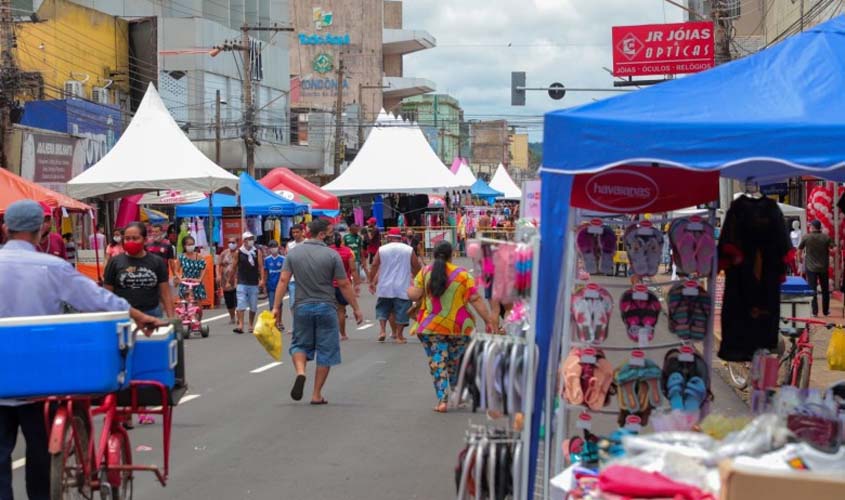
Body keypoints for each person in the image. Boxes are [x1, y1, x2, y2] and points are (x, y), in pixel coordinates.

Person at [0, 200, 162, 499]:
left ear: (5, 229)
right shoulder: (52, 267)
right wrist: (140, 316)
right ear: (40, 231)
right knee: (41, 455)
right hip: (40, 382)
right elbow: (99, 300)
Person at [271, 219, 363, 405]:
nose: (331, 236)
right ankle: (316, 394)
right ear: (321, 234)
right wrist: (356, 308)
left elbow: (283, 281)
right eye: (329, 233)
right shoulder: (332, 255)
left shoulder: (293, 254)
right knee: (326, 350)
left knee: (299, 344)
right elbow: (344, 284)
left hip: (302, 306)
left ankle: (301, 372)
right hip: (326, 306)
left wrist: (275, 307)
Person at [407, 241, 497, 413]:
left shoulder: (425, 272)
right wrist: (488, 321)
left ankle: (442, 400)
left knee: (437, 362)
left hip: (431, 327)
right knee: (456, 362)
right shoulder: (463, 275)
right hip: (459, 327)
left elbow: (416, 293)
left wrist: (408, 291)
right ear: (452, 254)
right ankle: (458, 396)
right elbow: (476, 299)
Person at [104, 222, 175, 319]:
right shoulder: (114, 262)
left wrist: (172, 320)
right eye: (127, 238)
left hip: (152, 313)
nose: (130, 242)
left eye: (135, 238)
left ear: (145, 240)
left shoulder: (157, 262)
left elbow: (165, 293)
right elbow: (108, 294)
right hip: (124, 314)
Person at [369, 227, 421, 344]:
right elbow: (416, 265)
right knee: (402, 310)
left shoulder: (382, 249)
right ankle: (399, 336)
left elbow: (374, 265)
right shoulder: (408, 249)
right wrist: (418, 278)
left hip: (385, 286)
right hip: (402, 285)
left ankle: (382, 331)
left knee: (383, 309)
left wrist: (371, 280)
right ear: (400, 238)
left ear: (389, 238)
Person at [799, 220, 834, 317]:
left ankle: (815, 312)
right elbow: (834, 249)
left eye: (810, 226)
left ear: (813, 227)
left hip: (811, 268)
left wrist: (800, 261)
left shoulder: (806, 237)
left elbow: (799, 250)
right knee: (825, 290)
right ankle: (826, 311)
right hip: (823, 267)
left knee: (812, 289)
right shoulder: (826, 237)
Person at [233, 231, 264, 334]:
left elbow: (260, 266)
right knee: (241, 303)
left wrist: (262, 279)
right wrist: (231, 279)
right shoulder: (239, 252)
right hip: (242, 281)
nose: (251, 241)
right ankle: (241, 324)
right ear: (244, 241)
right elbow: (234, 266)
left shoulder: (257, 252)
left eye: (252, 239)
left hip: (253, 281)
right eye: (249, 239)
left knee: (253, 305)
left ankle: (251, 324)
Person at [330, 233, 359, 341]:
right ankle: (343, 334)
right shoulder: (348, 252)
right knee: (341, 310)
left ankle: (330, 333)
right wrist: (356, 284)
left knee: (330, 310)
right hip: (343, 284)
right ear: (342, 240)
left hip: (329, 284)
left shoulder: (328, 251)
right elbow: (353, 269)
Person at [175, 235, 207, 321]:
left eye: (192, 244)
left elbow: (204, 267)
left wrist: (200, 279)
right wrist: (181, 278)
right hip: (185, 283)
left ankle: (198, 322)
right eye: (189, 245)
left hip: (196, 283)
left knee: (198, 307)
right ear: (185, 246)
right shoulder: (182, 257)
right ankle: (184, 321)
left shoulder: (199, 257)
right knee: (184, 306)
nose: (191, 246)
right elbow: (176, 270)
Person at [263, 240, 285, 330]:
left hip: (280, 285)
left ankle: (279, 321)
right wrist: (264, 284)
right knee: (272, 305)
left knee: (280, 304)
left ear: (278, 247)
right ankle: (274, 322)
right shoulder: (267, 260)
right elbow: (266, 272)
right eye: (271, 247)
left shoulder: (283, 259)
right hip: (271, 285)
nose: (273, 249)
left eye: (275, 246)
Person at [217, 236, 240, 324]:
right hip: (225, 281)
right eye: (229, 242)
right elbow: (218, 264)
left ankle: (239, 318)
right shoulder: (224, 253)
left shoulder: (239, 253)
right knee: (229, 300)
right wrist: (218, 275)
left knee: (237, 300)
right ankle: (232, 317)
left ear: (237, 243)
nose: (231, 244)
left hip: (237, 280)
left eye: (233, 242)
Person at [286, 224, 305, 313]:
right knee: (293, 303)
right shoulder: (290, 245)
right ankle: (295, 324)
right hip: (293, 279)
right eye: (293, 232)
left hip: (306, 278)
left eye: (297, 232)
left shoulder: (308, 243)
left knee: (304, 303)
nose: (295, 234)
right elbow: (287, 262)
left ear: (302, 232)